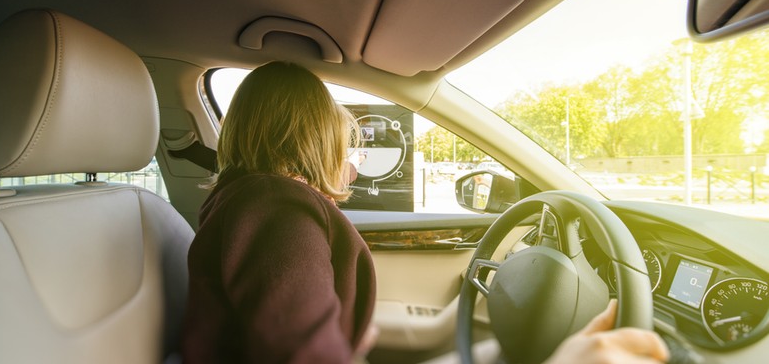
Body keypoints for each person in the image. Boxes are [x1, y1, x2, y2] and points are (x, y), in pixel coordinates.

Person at [182, 61, 669, 364]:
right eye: (343, 141)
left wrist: (352, 334)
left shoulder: (250, 203)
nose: (348, 158)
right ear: (315, 137)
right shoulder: (276, 210)